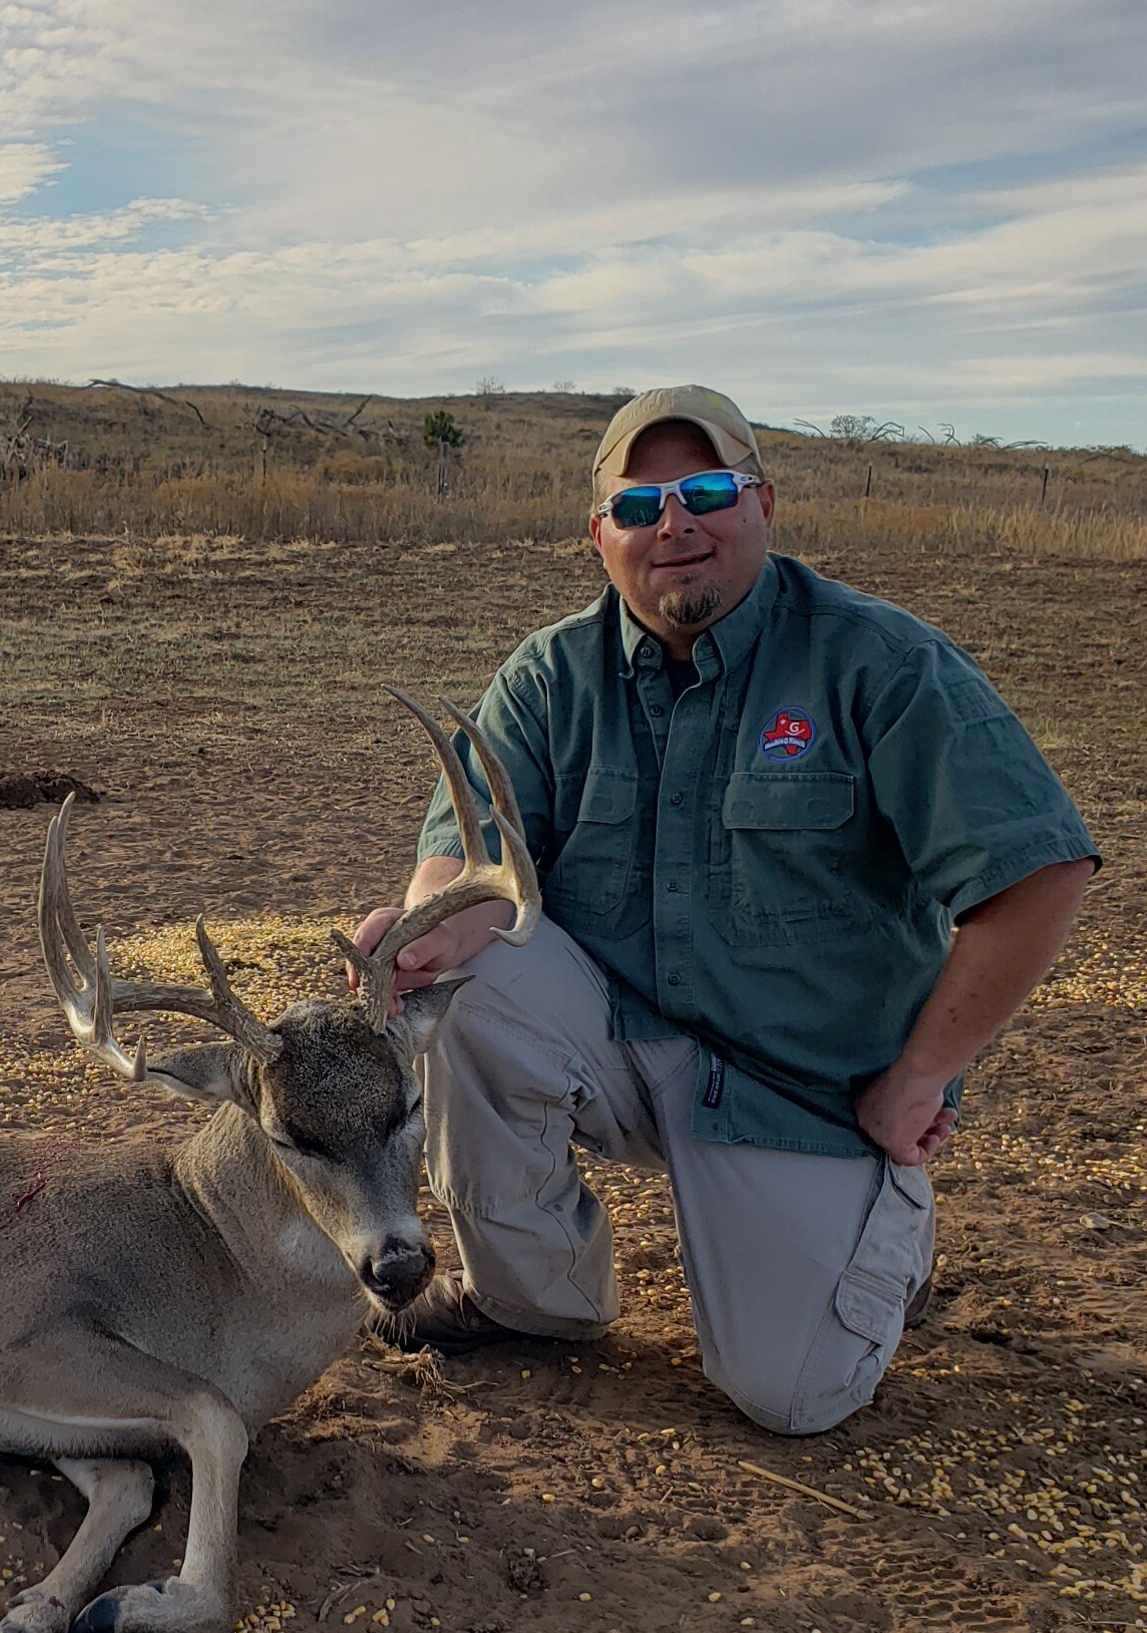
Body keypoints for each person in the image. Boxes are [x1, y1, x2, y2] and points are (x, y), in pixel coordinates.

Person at [353, 385, 1098, 1435]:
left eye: (706, 490)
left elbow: (1037, 877)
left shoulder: (878, 664)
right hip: (617, 1042)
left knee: (791, 1397)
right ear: (598, 533)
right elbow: (466, 868)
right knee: (463, 990)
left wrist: (918, 1080)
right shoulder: (548, 678)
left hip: (797, 1091)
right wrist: (422, 938)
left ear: (764, 502)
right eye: (638, 504)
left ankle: (880, 1236)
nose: (674, 523)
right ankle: (535, 1297)